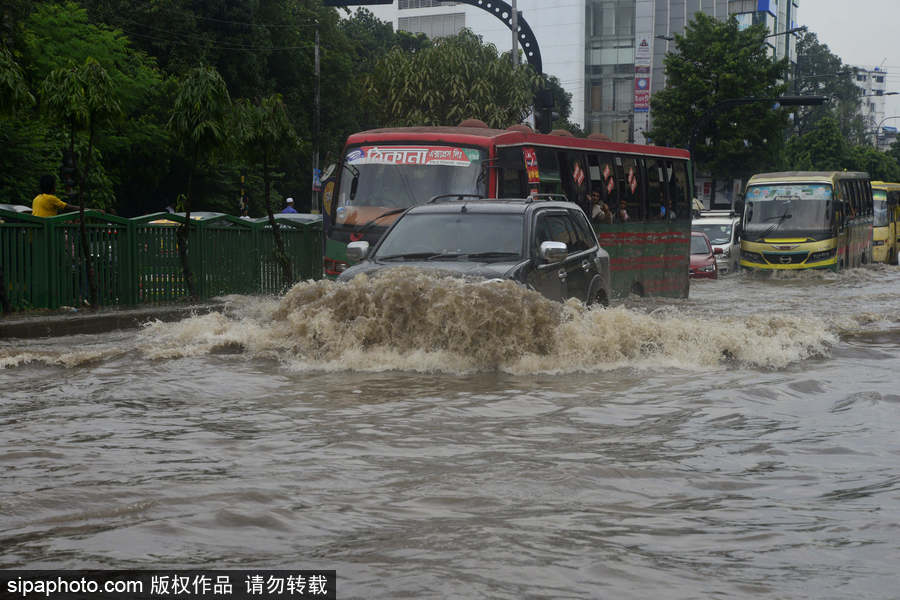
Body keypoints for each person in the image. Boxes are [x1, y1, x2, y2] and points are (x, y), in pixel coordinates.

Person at [31, 174, 101, 217]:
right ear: (52, 187)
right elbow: (69, 208)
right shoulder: (50, 198)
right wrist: (93, 210)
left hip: (36, 233)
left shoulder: (36, 198)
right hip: (46, 231)